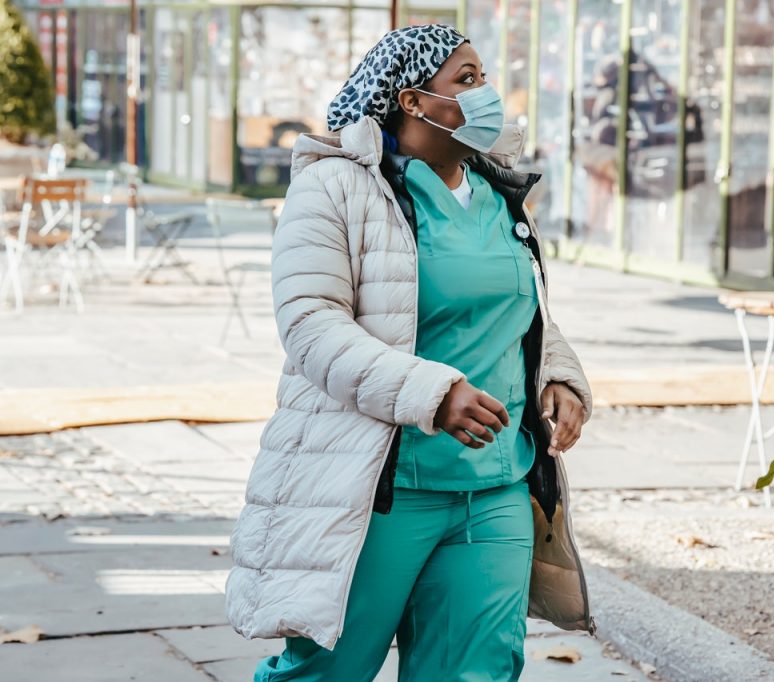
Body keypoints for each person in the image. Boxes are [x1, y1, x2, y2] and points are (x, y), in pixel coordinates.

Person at [225, 24, 594, 682]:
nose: (487, 95)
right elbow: (311, 324)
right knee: (327, 672)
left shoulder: (499, 193)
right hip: (380, 489)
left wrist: (559, 376)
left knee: (476, 671)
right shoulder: (336, 188)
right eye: (467, 80)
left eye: (484, 78)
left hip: (496, 485)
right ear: (413, 101)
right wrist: (433, 393)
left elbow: (519, 309)